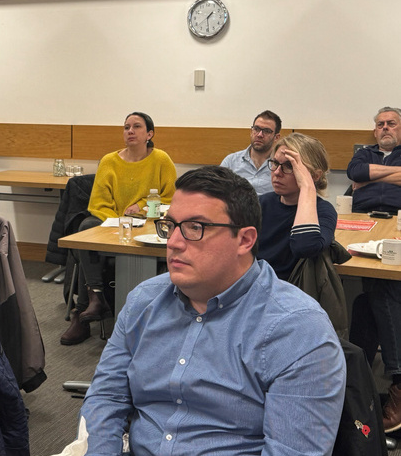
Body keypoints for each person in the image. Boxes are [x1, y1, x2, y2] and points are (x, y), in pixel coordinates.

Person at [80, 166, 345, 455]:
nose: (174, 243)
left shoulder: (297, 329)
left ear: (245, 240)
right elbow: (107, 397)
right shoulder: (144, 300)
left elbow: (292, 450)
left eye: (196, 228)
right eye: (170, 225)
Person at [60, 111, 176, 346]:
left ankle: (84, 311)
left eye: (136, 127)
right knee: (86, 226)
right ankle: (96, 296)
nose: (130, 131)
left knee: (87, 254)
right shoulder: (109, 161)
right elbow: (98, 203)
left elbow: (171, 197)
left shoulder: (161, 159)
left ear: (149, 134)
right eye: (126, 127)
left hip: (148, 224)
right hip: (112, 225)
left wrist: (141, 207)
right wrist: (117, 223)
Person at [348, 106, 401, 432]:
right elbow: (355, 175)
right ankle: (361, 384)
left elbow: (362, 180)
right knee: (365, 299)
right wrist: (393, 174)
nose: (384, 128)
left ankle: (392, 381)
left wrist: (370, 178)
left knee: (380, 290)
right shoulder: (363, 154)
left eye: (391, 123)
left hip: (397, 225)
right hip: (361, 225)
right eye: (379, 124)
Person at [257, 132, 337, 280]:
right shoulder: (261, 203)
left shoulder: (323, 211)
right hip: (254, 284)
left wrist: (307, 187)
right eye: (275, 163)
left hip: (290, 291)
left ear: (314, 175)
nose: (277, 172)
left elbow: (304, 246)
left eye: (289, 166)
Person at [220, 110, 282, 196]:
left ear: (276, 137)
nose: (260, 135)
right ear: (251, 131)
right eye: (256, 129)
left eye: (267, 131)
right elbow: (218, 193)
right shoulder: (231, 161)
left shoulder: (280, 166)